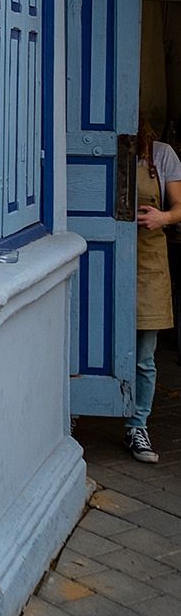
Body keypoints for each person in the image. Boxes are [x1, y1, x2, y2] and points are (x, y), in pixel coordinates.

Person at [125, 117, 181, 463]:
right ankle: (82, 413)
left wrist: (163, 218)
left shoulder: (162, 155)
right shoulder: (106, 155)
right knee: (92, 345)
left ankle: (137, 424)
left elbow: (179, 209)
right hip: (106, 259)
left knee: (144, 354)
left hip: (147, 260)